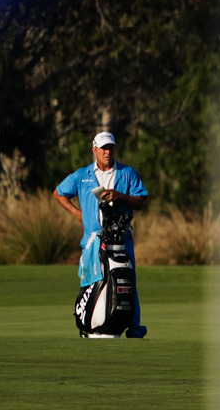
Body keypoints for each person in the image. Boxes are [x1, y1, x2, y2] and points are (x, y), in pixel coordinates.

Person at [54, 131, 149, 338]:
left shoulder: (127, 173)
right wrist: (76, 213)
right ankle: (88, 323)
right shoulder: (82, 175)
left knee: (127, 279)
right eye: (104, 148)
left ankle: (133, 327)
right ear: (94, 150)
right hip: (92, 238)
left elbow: (141, 201)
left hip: (121, 237)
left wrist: (120, 196)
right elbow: (59, 192)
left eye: (111, 147)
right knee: (89, 279)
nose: (108, 152)